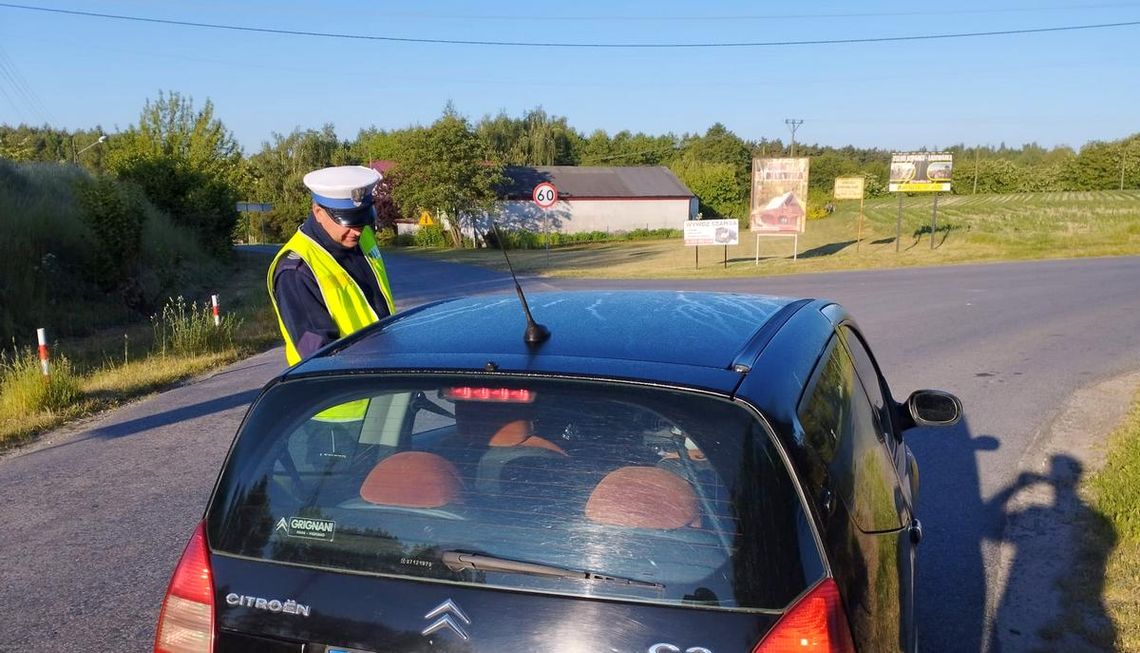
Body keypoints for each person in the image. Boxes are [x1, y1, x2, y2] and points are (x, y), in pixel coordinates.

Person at [268, 165, 396, 366]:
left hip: (386, 376)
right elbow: (319, 356)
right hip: (349, 393)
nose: (357, 231)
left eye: (362, 221)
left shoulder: (362, 238)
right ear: (318, 212)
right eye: (348, 222)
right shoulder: (296, 270)